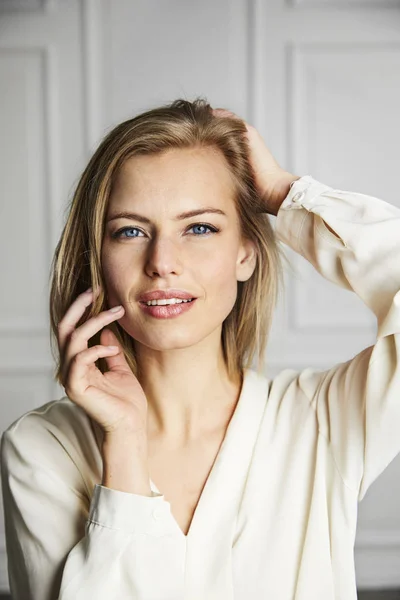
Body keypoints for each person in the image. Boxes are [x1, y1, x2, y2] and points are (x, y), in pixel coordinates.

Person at [1, 97, 399, 600]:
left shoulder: (322, 420)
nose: (163, 261)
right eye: (131, 231)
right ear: (97, 259)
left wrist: (286, 195)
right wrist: (124, 445)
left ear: (246, 254)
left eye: (200, 228)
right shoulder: (39, 449)